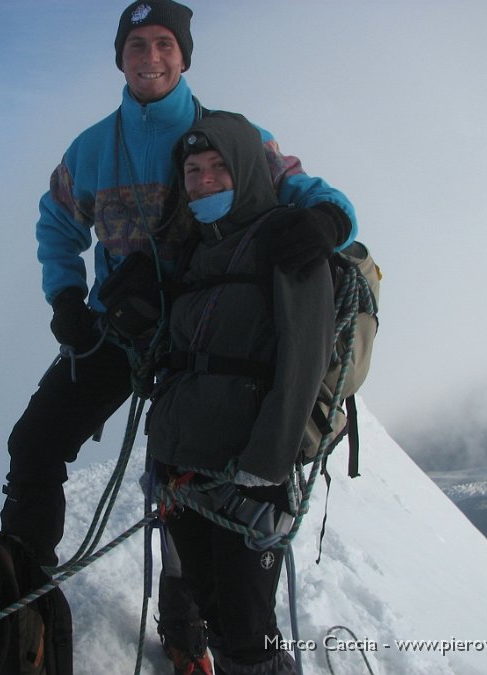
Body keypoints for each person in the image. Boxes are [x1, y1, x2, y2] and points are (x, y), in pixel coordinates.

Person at [0, 1, 357, 672]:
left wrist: (326, 225)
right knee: (34, 443)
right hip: (119, 328)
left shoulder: (223, 136)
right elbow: (58, 219)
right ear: (120, 58)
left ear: (184, 56)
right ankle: (23, 604)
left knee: (180, 483)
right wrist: (66, 296)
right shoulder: (93, 148)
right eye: (136, 45)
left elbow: (312, 194)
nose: (150, 57)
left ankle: (188, 625)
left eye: (164, 43)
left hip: (200, 329)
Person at [145, 110, 338, 675]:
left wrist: (267, 465)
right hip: (186, 470)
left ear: (249, 170)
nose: (203, 182)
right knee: (214, 614)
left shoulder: (287, 238)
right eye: (194, 172)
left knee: (250, 632)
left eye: (218, 169)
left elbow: (304, 360)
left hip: (248, 476)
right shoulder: (199, 248)